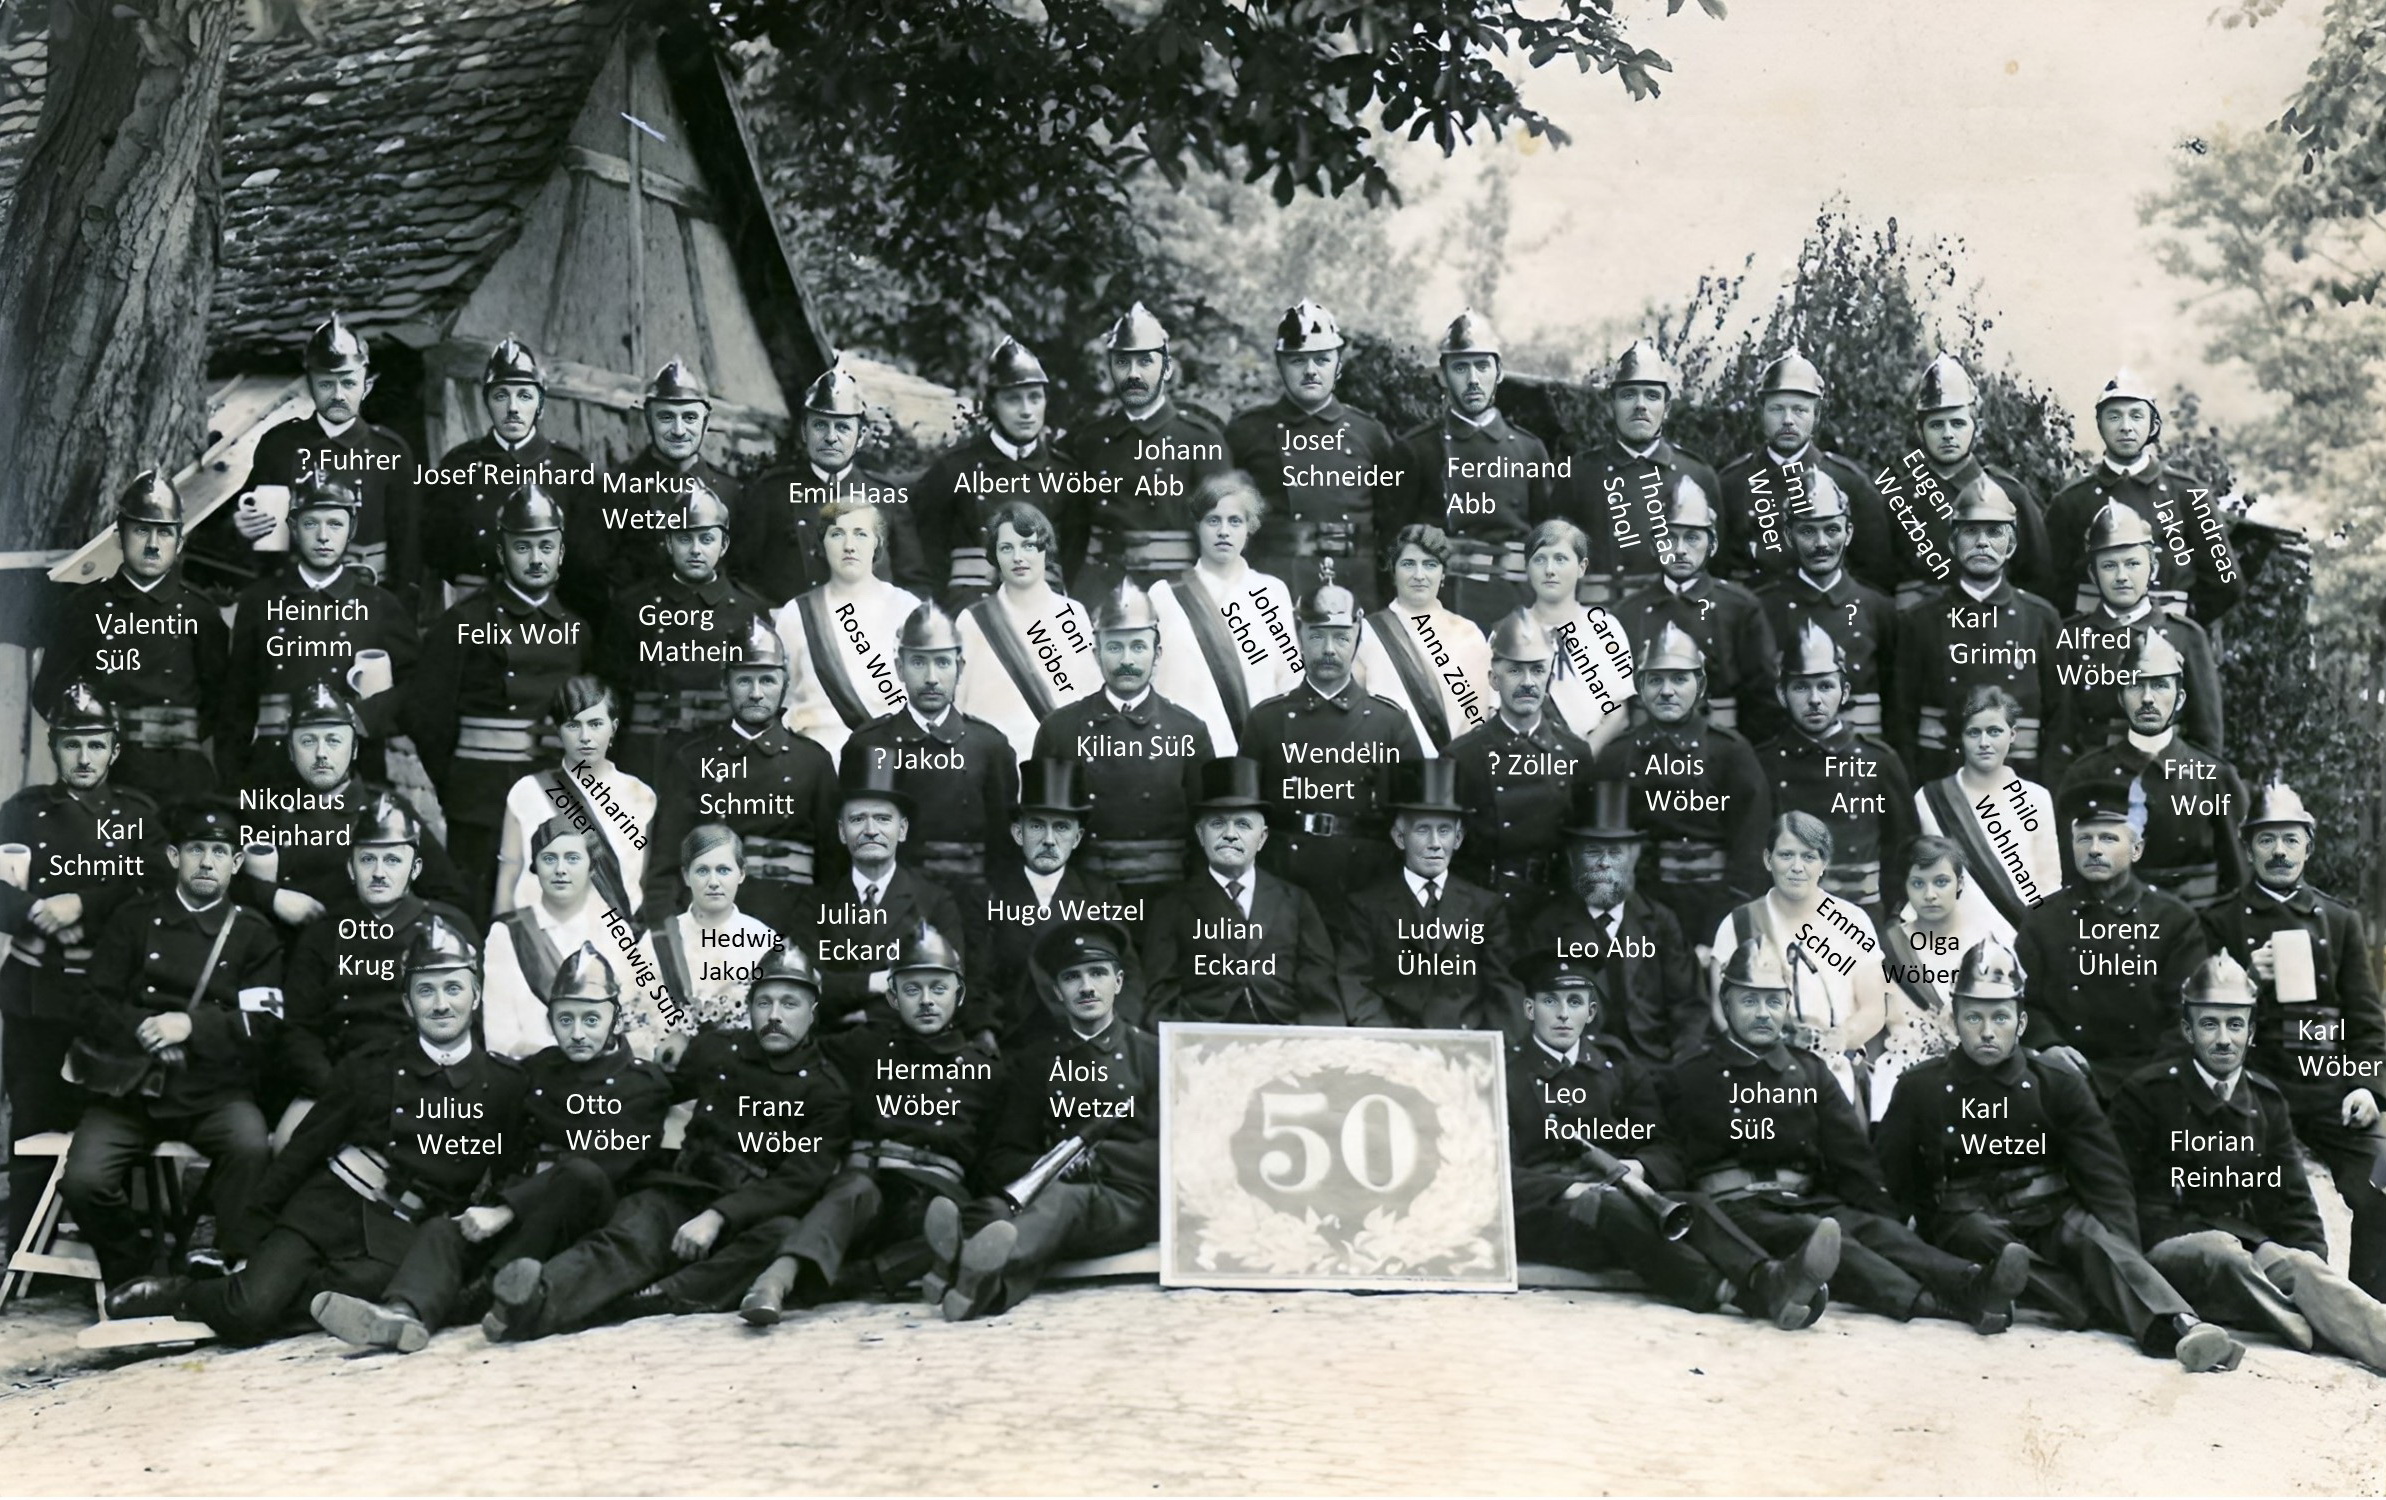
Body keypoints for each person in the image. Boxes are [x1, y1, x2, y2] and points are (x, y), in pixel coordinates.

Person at [117, 917, 529, 1343]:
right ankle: (187, 1294)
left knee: (342, 1306)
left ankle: (255, 1298)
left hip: (399, 1236)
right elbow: (301, 1153)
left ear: (476, 995)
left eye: (453, 988)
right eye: (426, 990)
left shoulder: (504, 1085)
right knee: (248, 1312)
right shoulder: (370, 1067)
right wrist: (242, 1246)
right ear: (408, 1003)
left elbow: (509, 1173)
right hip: (325, 1208)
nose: (441, 1004)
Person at [1875, 939, 2246, 1371]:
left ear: (2022, 1020)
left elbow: (2104, 1176)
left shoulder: (2056, 1081)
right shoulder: (1920, 1088)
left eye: (2000, 1017)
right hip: (1965, 1218)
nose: (1988, 1031)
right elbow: (1893, 1179)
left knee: (2095, 1240)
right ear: (1955, 1019)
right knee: (1988, 1241)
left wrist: (2125, 1251)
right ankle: (2084, 1303)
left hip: (2050, 1212)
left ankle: (2183, 1327)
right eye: (1974, 1017)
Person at [481, 941, 855, 1341]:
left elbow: (798, 1180)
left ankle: (655, 1298)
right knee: (629, 1236)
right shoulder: (718, 1051)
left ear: (813, 1011)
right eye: (764, 1002)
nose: (775, 1016)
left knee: (781, 1236)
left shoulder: (827, 1092)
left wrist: (719, 1216)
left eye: (789, 1003)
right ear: (750, 1006)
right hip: (682, 1186)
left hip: (750, 1207)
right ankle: (534, 1297)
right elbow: (648, 1088)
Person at [310, 943, 674, 1353]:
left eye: (591, 1019)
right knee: (442, 1230)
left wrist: (505, 1209)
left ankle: (484, 1291)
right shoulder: (536, 1070)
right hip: (524, 1207)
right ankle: (402, 1315)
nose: (577, 1033)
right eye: (564, 1019)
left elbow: (605, 1165)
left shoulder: (642, 1083)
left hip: (580, 1218)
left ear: (616, 1018)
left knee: (579, 1173)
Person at [1659, 936, 2030, 1333]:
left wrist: (1883, 1216)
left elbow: (1852, 1160)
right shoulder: (1688, 1074)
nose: (1763, 1014)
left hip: (1804, 1199)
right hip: (1735, 1210)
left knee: (1874, 1231)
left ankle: (1974, 1282)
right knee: (1823, 1238)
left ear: (1787, 1004)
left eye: (1773, 1001)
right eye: (1749, 1001)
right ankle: (1939, 1305)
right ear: (1727, 1002)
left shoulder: (1810, 1072)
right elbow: (1665, 1151)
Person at [1505, 950, 1839, 1330]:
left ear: (1591, 1012)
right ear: (1530, 1010)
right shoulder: (1503, 1073)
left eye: (1575, 1002)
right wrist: (1571, 1189)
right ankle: (1746, 1293)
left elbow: (1666, 1150)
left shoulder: (1621, 1070)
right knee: (1610, 1206)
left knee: (1690, 1204)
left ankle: (1768, 1275)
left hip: (1622, 1204)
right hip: (1547, 1217)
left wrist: (1637, 1167)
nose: (1563, 1014)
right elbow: (1496, 1172)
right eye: (1550, 1002)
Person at [2110, 953, 2386, 1373]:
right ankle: (2307, 1326)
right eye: (2209, 1024)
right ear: (2187, 1029)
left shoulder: (2266, 1101)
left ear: (2251, 1032)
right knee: (2222, 1252)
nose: (2224, 1039)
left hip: (2245, 1247)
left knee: (2301, 1265)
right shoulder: (2146, 1095)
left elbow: (2296, 1205)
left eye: (2235, 1024)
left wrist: (2311, 1265)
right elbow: (2118, 1200)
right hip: (2170, 1249)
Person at [731, 924, 1005, 1322]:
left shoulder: (987, 1071)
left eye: (938, 988)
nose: (926, 1001)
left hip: (935, 1195)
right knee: (854, 1188)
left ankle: (855, 1278)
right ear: (892, 995)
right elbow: (796, 1033)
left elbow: (990, 1156)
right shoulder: (864, 1046)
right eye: (911, 990)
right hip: (867, 1192)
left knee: (982, 1217)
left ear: (959, 994)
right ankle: (773, 1283)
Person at [69, 800, 281, 1304]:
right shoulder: (135, 919)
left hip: (212, 1091)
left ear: (236, 863)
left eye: (219, 852)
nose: (206, 862)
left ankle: (218, 1272)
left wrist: (192, 1025)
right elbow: (92, 1001)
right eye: (195, 850)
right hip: (133, 1089)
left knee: (250, 1146)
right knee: (85, 1179)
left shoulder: (253, 934)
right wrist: (141, 1027)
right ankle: (136, 1276)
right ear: (173, 857)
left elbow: (265, 1023)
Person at [919, 920, 1161, 1322]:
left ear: (1118, 982)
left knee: (1061, 1202)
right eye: (1072, 977)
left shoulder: (1153, 1054)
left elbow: (1177, 1150)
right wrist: (1042, 1167)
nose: (1086, 987)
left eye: (1098, 974)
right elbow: (1002, 1154)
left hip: (1125, 1202)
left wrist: (1098, 1161)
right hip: (1047, 1197)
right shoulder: (1037, 1064)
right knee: (992, 1210)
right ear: (1056, 991)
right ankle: (982, 1289)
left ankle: (960, 1262)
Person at [2202, 781, 2386, 1300]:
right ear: (2248, 847)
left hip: (2328, 1084)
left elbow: (2367, 1022)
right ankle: (2283, 1301)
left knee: (2383, 1173)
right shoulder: (2218, 921)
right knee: (2262, 1194)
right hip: (2253, 1084)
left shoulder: (2340, 921)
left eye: (2290, 839)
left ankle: (2371, 1305)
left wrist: (2367, 1087)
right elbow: (2196, 1022)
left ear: (2309, 845)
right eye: (2266, 840)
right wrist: (2243, 979)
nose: (2279, 852)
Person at [0, 681, 161, 1253]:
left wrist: (84, 905)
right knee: (32, 1115)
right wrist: (35, 911)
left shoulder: (138, 816)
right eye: (72, 745)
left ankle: (105, 1242)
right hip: (35, 994)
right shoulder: (20, 813)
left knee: (107, 1120)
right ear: (55, 747)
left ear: (115, 749)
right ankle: (25, 1247)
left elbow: (156, 892)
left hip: (105, 998)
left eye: (95, 744)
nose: (84, 758)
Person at [406, 481, 590, 922]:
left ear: (561, 552)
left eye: (546, 546)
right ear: (503, 551)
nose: (536, 558)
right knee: (480, 916)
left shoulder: (579, 629)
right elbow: (426, 716)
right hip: (480, 801)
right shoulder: (463, 622)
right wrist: (457, 787)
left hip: (554, 799)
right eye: (522, 547)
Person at [191, 314, 420, 599]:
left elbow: (407, 550)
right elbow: (263, 545)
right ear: (310, 384)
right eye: (326, 383)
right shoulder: (280, 446)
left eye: (348, 383)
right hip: (295, 602)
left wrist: (397, 623)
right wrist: (243, 530)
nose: (338, 395)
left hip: (367, 603)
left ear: (367, 385)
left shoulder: (390, 451)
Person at [276, 794, 474, 1116]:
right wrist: (333, 1088)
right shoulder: (323, 935)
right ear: (351, 867)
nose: (379, 872)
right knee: (290, 1146)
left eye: (393, 860)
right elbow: (298, 1030)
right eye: (368, 859)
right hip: (337, 1085)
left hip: (428, 1086)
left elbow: (470, 1022)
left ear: (415, 867)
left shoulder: (450, 929)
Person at [33, 471, 229, 796]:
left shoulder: (201, 612)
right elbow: (48, 693)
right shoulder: (84, 607)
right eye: (141, 531)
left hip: (179, 779)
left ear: (180, 542)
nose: (153, 545)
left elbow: (219, 702)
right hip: (103, 778)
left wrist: (170, 734)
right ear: (119, 537)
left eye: (164, 534)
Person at [644, 617, 841, 936]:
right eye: (744, 681)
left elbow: (835, 870)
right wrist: (668, 940)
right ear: (725, 684)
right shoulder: (692, 761)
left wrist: (813, 938)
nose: (755, 693)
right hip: (710, 927)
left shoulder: (813, 762)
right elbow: (665, 869)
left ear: (785, 685)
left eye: (767, 680)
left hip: (794, 926)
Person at [2016, 778, 2211, 1100]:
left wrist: (2153, 1079)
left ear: (2137, 849)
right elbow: (2023, 1002)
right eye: (2084, 839)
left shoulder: (2174, 921)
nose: (2094, 849)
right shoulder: (2043, 918)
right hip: (2064, 1080)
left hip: (2151, 1082)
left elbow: (2189, 1015)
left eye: (2108, 838)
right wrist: (2046, 1045)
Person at [221, 470, 418, 784]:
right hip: (273, 772)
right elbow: (235, 701)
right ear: (294, 528)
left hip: (356, 772)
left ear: (351, 529)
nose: (323, 536)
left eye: (335, 524)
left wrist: (367, 716)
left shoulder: (380, 605)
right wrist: (234, 778)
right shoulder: (259, 602)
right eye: (311, 523)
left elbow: (417, 686)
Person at [1586, 621, 1771, 945]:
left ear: (1699, 686)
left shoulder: (1730, 752)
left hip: (1716, 904)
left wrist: (1726, 922)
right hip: (1641, 908)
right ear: (1640, 688)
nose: (1667, 691)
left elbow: (1751, 847)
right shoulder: (1617, 756)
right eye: (1655, 680)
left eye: (1679, 679)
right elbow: (1604, 852)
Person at [1242, 576, 1423, 900]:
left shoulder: (1390, 723)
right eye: (1316, 636)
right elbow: (1244, 817)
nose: (1328, 649)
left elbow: (1412, 820)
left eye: (1340, 637)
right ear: (1299, 635)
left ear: (1357, 637)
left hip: (1366, 888)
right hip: (1284, 884)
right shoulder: (1265, 721)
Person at [1031, 580, 1214, 896]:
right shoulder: (1059, 730)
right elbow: (1040, 829)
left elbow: (1206, 834)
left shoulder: (1189, 731)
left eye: (1138, 647)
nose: (1127, 660)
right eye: (1115, 647)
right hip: (1084, 897)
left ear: (1157, 654)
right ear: (1096, 653)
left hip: (1168, 897)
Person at [233, 680, 464, 923]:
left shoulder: (387, 811)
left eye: (333, 740)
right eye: (308, 741)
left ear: (353, 748)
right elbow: (213, 876)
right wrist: (271, 896)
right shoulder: (266, 808)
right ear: (291, 750)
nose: (321, 753)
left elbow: (449, 898)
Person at [1225, 300, 1403, 610]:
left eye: (1322, 359)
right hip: (1270, 590)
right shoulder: (1246, 433)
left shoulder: (1370, 434)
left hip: (1354, 588)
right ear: (1280, 364)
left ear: (1338, 364)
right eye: (1297, 361)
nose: (1310, 371)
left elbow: (1392, 527)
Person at [1138, 757, 1340, 1026]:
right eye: (1218, 824)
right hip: (1204, 1043)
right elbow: (1160, 998)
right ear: (1200, 834)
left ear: (1263, 837)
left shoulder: (1295, 901)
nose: (1230, 834)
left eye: (1243, 825)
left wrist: (1301, 1049)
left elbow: (1320, 993)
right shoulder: (1172, 906)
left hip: (1283, 1039)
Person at [1707, 812, 1889, 1109]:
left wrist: (1841, 1038)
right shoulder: (1739, 923)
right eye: (1786, 855)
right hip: (1759, 1071)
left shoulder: (1853, 921)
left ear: (1824, 862)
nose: (1797, 867)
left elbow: (1873, 1009)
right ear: (1768, 860)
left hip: (1833, 1069)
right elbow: (1720, 1010)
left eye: (1809, 856)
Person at [1889, 476, 2063, 783]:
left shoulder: (2041, 620)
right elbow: (1901, 722)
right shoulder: (1920, 621)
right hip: (1941, 779)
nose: (1982, 542)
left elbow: (2060, 721)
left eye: (1994, 532)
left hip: (2022, 783)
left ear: (2011, 545)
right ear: (1953, 543)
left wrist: (2047, 794)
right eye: (1970, 531)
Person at [2054, 631, 2246, 906]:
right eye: (2135, 685)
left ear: (2179, 699)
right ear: (2120, 697)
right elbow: (2070, 880)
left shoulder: (2214, 778)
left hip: (2198, 934)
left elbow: (2239, 883)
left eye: (2159, 686)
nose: (2147, 698)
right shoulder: (2085, 775)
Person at [596, 481, 768, 787]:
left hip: (721, 758)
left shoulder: (748, 611)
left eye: (706, 538)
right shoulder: (633, 606)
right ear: (668, 542)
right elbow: (610, 694)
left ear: (724, 545)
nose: (696, 550)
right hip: (648, 756)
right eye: (684, 538)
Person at [840, 602, 1020, 892]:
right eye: (918, 662)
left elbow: (1004, 850)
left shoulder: (990, 747)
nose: (931, 677)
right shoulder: (868, 744)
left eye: (943, 662)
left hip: (971, 903)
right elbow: (849, 848)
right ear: (899, 668)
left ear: (960, 668)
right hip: (895, 902)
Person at [1520, 780, 1703, 1064]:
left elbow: (1690, 1008)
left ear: (1635, 855)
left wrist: (1681, 1067)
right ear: (1572, 857)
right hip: (1581, 1069)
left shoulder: (1659, 922)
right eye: (1593, 851)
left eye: (1615, 852)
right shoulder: (1547, 926)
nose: (1604, 863)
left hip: (1655, 1067)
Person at [1391, 309, 1554, 628]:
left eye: (1482, 365)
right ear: (1442, 374)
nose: (1473, 379)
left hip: (1514, 608)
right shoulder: (1416, 449)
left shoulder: (1529, 450)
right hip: (1441, 609)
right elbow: (1394, 544)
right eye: (1460, 367)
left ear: (1500, 371)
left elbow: (1545, 544)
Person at [418, 337, 601, 617]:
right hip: (476, 615)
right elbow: (435, 547)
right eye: (501, 395)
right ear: (487, 402)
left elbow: (588, 565)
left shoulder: (571, 469)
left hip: (547, 618)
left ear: (540, 403)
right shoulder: (457, 466)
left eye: (524, 395)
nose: (512, 408)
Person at [2042, 500, 2224, 783]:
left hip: (2163, 782)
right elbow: (2058, 735)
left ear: (2152, 568)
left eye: (2132, 563)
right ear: (2093, 574)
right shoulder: (2070, 638)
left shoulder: (2186, 637)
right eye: (2109, 566)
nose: (2122, 576)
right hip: (2090, 785)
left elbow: (2207, 740)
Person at [1334, 759, 1523, 1031]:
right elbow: (1355, 983)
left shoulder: (1485, 907)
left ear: (1458, 840)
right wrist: (1389, 1045)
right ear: (1400, 837)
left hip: (1464, 1047)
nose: (1435, 844)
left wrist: (1488, 1053)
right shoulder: (1367, 906)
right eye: (1423, 830)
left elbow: (1504, 991)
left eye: (1444, 831)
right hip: (1394, 1046)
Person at [2044, 370, 2242, 624]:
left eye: (2136, 416)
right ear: (2100, 424)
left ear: (2153, 425)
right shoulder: (2070, 502)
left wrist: (2182, 626)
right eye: (2114, 416)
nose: (2125, 427)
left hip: (2167, 640)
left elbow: (2227, 582)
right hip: (2093, 641)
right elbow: (2047, 584)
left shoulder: (2190, 496)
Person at [1539, 338, 1722, 608]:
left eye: (1651, 395)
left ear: (1667, 408)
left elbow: (1717, 570)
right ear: (1612, 404)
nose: (1640, 405)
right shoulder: (1579, 473)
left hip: (1670, 624)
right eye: (1629, 394)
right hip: (1596, 623)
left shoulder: (1697, 475)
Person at [1067, 301, 1230, 592]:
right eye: (1122, 362)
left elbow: (1223, 537)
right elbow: (1071, 534)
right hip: (1100, 588)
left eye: (1145, 362)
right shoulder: (1089, 441)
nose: (1133, 374)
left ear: (1166, 368)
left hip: (1177, 588)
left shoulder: (1200, 439)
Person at [1753, 621, 1916, 910]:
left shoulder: (1879, 760)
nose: (1814, 700)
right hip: (1787, 918)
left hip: (1864, 918)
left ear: (1844, 691)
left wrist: (1893, 916)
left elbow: (1903, 850)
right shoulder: (1763, 763)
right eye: (1801, 687)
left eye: (1826, 686)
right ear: (1782, 694)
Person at [738, 360, 930, 603]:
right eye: (820, 425)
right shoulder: (770, 492)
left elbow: (914, 583)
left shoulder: (885, 496)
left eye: (842, 427)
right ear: (805, 432)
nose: (831, 437)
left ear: (860, 437)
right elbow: (740, 580)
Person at [1714, 349, 1899, 593]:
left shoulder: (1849, 483)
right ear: (1761, 412)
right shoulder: (1731, 484)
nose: (1788, 420)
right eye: (1777, 409)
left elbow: (1875, 580)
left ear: (1816, 414)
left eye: (1800, 410)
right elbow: (1712, 577)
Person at [980, 760, 1140, 1040]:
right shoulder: (989, 893)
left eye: (1062, 828)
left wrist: (1114, 1035)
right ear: (1018, 833)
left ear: (1077, 838)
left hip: (1084, 1037)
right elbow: (977, 977)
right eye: (1037, 826)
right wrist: (985, 1032)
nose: (1049, 840)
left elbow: (1128, 975)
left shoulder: (1099, 894)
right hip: (1012, 1040)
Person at [1446, 613, 1590, 924]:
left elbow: (1583, 848)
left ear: (1549, 677)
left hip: (1553, 913)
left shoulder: (1575, 753)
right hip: (1483, 910)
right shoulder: (1462, 757)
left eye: (1537, 670)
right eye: (1514, 670)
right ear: (1493, 679)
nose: (1527, 682)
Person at [801, 761, 967, 1031]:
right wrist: (879, 981)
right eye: (857, 819)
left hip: (908, 1044)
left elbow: (949, 987)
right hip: (832, 1046)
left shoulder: (935, 901)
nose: (870, 830)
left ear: (902, 830)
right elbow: (806, 985)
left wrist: (869, 1015)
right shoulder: (815, 903)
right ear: (842, 832)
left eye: (882, 818)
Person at [1146, 472, 1304, 754]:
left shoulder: (1271, 592)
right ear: (1197, 526)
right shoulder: (1164, 595)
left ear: (1249, 527)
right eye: (1213, 520)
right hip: (1183, 750)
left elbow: (1290, 681)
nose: (1223, 531)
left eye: (1235, 521)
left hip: (1252, 753)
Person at [912, 336, 1074, 611]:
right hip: (972, 613)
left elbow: (1074, 557)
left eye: (1035, 398)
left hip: (1047, 615)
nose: (1026, 411)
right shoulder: (953, 470)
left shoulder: (1066, 474)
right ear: (993, 404)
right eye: (1013, 399)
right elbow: (927, 556)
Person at [1607, 477, 1774, 734]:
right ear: (1654, 545)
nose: (1681, 549)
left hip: (1719, 753)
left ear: (1713, 544)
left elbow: (1764, 701)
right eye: (1670, 537)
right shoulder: (1626, 614)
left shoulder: (1740, 609)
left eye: (1693, 537)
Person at [1888, 353, 2057, 606]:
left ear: (1977, 427)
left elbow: (2039, 585)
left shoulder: (2011, 496)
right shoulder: (1897, 499)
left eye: (1957, 423)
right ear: (1919, 431)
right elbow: (1878, 586)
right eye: (1936, 425)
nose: (1947, 434)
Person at [1746, 467, 1898, 744]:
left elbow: (1896, 703)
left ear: (1849, 533)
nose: (1821, 544)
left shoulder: (1879, 609)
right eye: (1808, 531)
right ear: (1789, 536)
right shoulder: (1762, 608)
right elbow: (1755, 705)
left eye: (1831, 530)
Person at [771, 498, 921, 763]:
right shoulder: (795, 613)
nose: (849, 546)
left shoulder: (908, 609)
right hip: (813, 761)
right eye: (837, 534)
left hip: (888, 762)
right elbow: (785, 700)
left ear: (877, 543)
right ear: (822, 544)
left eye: (861, 534)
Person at [1872, 836, 2016, 1111]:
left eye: (1941, 882)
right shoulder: (1887, 947)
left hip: (1980, 1070)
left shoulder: (1991, 943)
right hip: (1905, 1071)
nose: (1929, 894)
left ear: (1960, 883)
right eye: (1918, 883)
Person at [495, 676, 654, 918]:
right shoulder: (527, 791)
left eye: (596, 724)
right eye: (573, 725)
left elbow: (641, 883)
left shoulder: (639, 795)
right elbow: (508, 878)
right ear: (557, 730)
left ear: (614, 726)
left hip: (612, 942)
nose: (585, 736)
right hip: (537, 939)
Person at [954, 501, 1100, 761]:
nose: (1018, 557)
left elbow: (1091, 696)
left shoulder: (1072, 614)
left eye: (1028, 546)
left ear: (1046, 550)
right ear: (995, 556)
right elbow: (957, 705)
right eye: (1006, 548)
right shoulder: (973, 620)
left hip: (1058, 764)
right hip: (993, 761)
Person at [484, 816, 637, 1061]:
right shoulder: (507, 934)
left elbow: (630, 1019)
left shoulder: (615, 931)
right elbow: (500, 1036)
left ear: (592, 866)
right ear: (535, 866)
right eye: (549, 858)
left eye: (573, 858)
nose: (560, 869)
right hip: (533, 1075)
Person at [1912, 684, 2062, 930]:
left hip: (2018, 935)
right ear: (1960, 736)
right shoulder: (1930, 798)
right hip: (1953, 936)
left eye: (1994, 731)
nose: (1984, 742)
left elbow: (2049, 884)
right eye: (1973, 732)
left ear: (2012, 735)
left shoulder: (2037, 798)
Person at [600, 358, 744, 601]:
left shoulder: (730, 493)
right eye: (666, 417)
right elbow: (589, 581)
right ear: (649, 419)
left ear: (705, 422)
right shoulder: (614, 490)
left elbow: (741, 581)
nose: (678, 430)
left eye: (689, 417)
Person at [634, 824, 786, 1052]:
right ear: (686, 876)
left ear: (742, 873)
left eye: (724, 870)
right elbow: (639, 1014)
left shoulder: (763, 940)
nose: (713, 882)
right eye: (702, 871)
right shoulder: (657, 941)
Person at [1353, 524, 1493, 753]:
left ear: (1443, 573)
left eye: (1430, 565)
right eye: (1409, 564)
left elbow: (1479, 723)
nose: (1419, 575)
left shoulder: (1469, 634)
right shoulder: (1367, 633)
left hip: (1455, 772)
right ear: (1393, 571)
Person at [1519, 520, 1634, 749]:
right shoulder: (1509, 631)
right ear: (1527, 568)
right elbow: (1495, 711)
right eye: (1540, 559)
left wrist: (1583, 759)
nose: (1549, 570)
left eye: (1561, 559)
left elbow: (1618, 715)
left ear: (1581, 567)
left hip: (1588, 763)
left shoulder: (1605, 628)